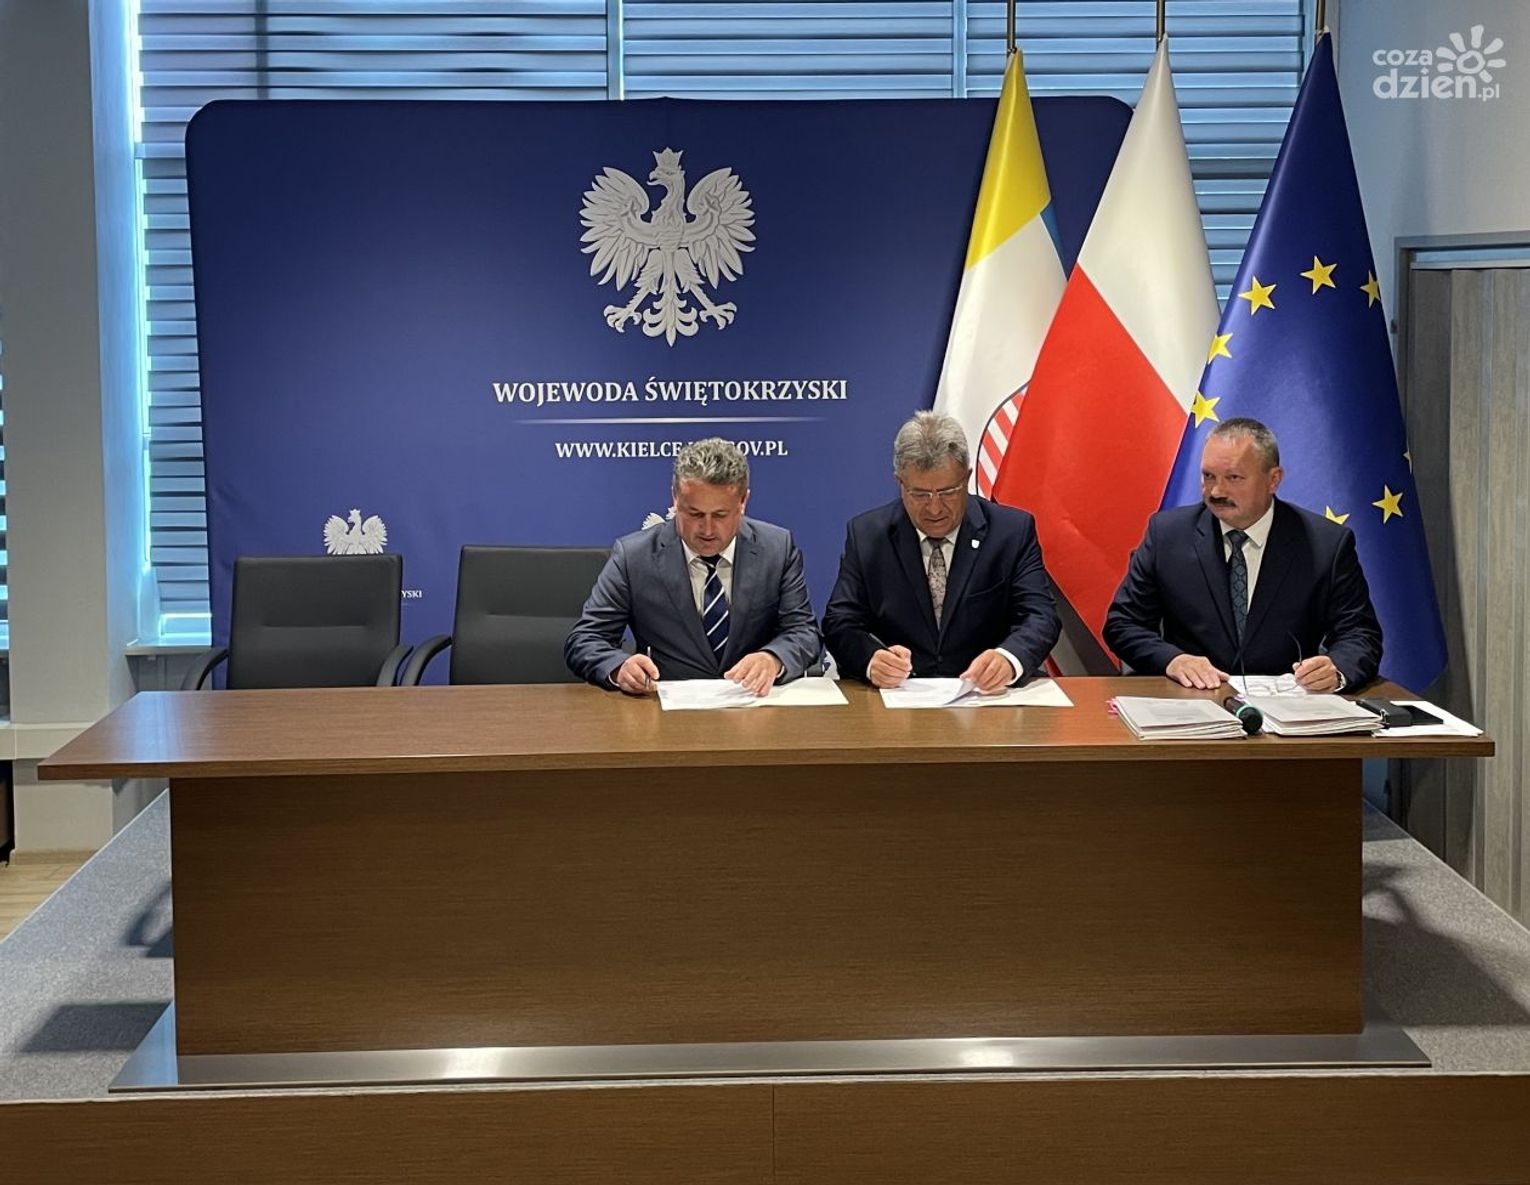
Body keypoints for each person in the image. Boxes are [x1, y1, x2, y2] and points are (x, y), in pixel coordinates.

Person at [1104, 417, 1382, 692]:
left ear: (1273, 480)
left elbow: (1359, 633)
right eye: (1208, 476)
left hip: (1289, 702)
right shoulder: (1168, 535)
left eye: (1233, 478)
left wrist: (1336, 670)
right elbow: (1123, 624)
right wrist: (1173, 660)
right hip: (1192, 699)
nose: (1216, 491)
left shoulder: (1326, 544)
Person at [822, 410, 1060, 690]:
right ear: (900, 483)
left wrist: (1008, 659)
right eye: (920, 494)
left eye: (948, 492)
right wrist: (872, 660)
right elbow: (840, 622)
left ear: (967, 478)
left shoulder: (1011, 532)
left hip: (987, 695)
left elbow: (1040, 616)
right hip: (899, 696)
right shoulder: (867, 535)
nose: (934, 508)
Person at [565, 437, 821, 695]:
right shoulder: (634, 557)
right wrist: (619, 667)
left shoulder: (776, 549)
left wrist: (773, 659)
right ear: (675, 498)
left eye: (720, 515)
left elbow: (803, 632)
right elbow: (586, 640)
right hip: (665, 708)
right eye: (695, 514)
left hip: (753, 704)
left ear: (743, 501)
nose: (707, 529)